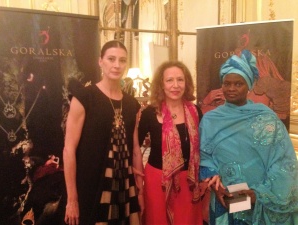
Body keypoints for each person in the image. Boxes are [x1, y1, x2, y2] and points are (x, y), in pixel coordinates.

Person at [199, 49, 298, 225]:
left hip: (258, 199)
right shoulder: (210, 120)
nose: (231, 89)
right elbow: (204, 158)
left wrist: (258, 194)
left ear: (249, 86)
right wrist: (215, 182)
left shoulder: (266, 118)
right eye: (226, 83)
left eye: (238, 84)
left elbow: (283, 162)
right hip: (225, 198)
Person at [63, 40, 144, 225]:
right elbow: (69, 150)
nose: (117, 65)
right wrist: (72, 199)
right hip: (90, 184)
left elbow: (136, 149)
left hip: (124, 185)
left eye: (122, 60)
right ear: (101, 61)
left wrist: (140, 191)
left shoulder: (132, 104)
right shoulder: (84, 97)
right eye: (111, 59)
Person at [135, 61, 204, 225]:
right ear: (161, 84)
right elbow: (135, 147)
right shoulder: (150, 113)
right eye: (169, 80)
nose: (175, 85)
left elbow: (204, 147)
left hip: (188, 182)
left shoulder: (195, 111)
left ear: (186, 83)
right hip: (157, 183)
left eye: (180, 80)